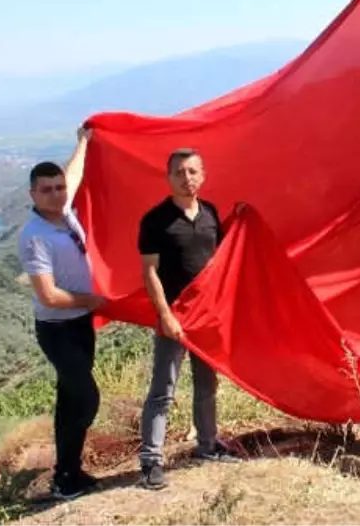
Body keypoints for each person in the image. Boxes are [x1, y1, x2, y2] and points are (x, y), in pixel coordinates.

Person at [136, 148, 240, 491]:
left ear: (203, 175)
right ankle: (151, 461)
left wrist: (239, 222)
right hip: (174, 318)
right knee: (163, 390)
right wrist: (165, 315)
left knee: (207, 385)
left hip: (206, 318)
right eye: (179, 172)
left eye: (193, 171)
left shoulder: (210, 212)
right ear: (169, 178)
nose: (186, 178)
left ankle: (208, 446)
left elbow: (220, 259)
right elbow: (149, 272)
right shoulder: (155, 220)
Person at [17, 135, 105, 501]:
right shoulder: (33, 236)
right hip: (57, 330)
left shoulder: (65, 216)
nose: (56, 194)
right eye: (47, 190)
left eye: (59, 188)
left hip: (80, 324)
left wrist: (84, 141)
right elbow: (48, 295)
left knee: (69, 400)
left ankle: (68, 474)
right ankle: (63, 474)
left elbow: (74, 174)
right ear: (32, 195)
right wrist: (94, 300)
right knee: (85, 398)